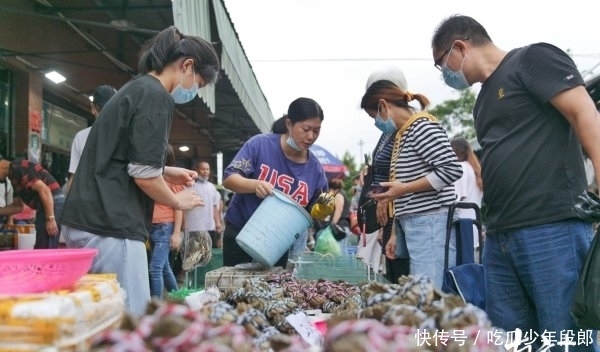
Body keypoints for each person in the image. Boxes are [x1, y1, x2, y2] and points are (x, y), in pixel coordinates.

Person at [431, 15, 600, 350]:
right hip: (501, 236)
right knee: (510, 339)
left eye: (442, 64)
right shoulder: (482, 101)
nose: (444, 75)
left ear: (460, 46)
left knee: (563, 335)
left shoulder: (532, 60)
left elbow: (583, 112)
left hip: (551, 227)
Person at [61, 25, 220, 316]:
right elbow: (143, 175)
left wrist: (166, 170)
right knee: (129, 321)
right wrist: (176, 201)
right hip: (110, 224)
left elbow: (124, 158)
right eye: (199, 82)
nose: (195, 91)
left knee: (99, 321)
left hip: (86, 221)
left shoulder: (135, 88)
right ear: (187, 66)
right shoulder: (156, 97)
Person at [360, 79, 462, 290]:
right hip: (415, 224)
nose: (376, 123)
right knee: (419, 292)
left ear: (383, 106)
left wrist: (403, 189)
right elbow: (405, 185)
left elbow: (451, 169)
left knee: (427, 295)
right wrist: (396, 230)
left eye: (374, 116)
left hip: (431, 222)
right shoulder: (403, 134)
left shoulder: (422, 128)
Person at [222, 98, 332, 268]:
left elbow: (313, 210)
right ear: (289, 124)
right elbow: (229, 178)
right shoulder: (260, 145)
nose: (311, 136)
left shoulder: (315, 170)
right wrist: (254, 185)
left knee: (271, 290)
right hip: (240, 232)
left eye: (316, 131)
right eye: (306, 129)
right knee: (234, 289)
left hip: (277, 243)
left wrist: (320, 210)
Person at [358, 67, 412, 284]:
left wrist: (386, 199)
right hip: (389, 222)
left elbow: (406, 175)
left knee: (402, 280)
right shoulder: (388, 133)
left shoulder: (408, 129)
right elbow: (385, 169)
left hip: (402, 220)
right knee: (392, 278)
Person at [0, 157, 65, 249]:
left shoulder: (18, 168)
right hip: (46, 205)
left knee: (45, 247)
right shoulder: (13, 177)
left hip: (52, 202)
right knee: (41, 244)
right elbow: (17, 207)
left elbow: (44, 190)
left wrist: (50, 218)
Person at [66, 84, 117, 192]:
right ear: (93, 108)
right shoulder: (81, 137)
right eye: (102, 110)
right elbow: (74, 176)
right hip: (94, 202)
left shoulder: (126, 136)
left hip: (110, 202)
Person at [148, 145, 183, 299]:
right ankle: (179, 299)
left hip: (165, 227)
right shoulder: (151, 176)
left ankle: (155, 308)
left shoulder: (173, 178)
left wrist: (176, 233)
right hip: (151, 227)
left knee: (155, 268)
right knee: (164, 268)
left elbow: (179, 207)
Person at [450, 137, 484, 249]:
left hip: (463, 228)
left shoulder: (461, 168)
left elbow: (457, 198)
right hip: (473, 227)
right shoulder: (473, 169)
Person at [184, 160, 223, 248]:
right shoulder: (190, 186)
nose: (205, 171)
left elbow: (215, 207)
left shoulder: (212, 187)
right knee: (195, 255)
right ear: (197, 170)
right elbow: (183, 207)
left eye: (207, 169)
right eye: (203, 169)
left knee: (210, 255)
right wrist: (184, 224)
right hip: (194, 227)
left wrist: (218, 222)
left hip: (210, 227)